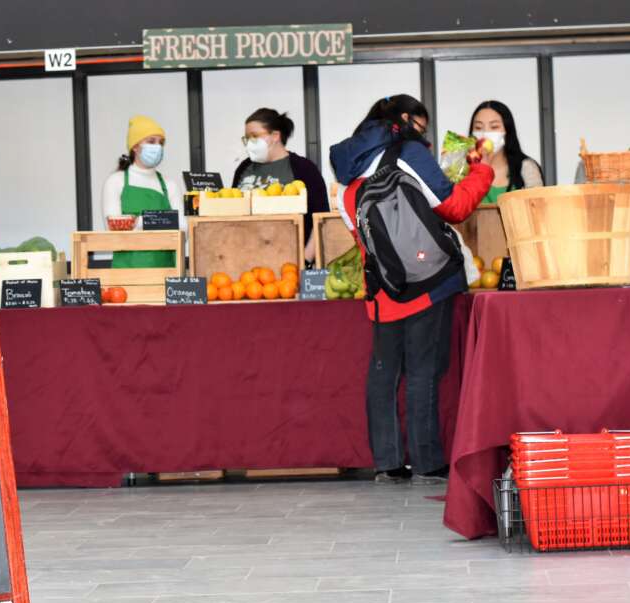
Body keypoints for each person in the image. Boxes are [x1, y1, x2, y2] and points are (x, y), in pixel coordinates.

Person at [329, 94, 494, 486]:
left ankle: (387, 462)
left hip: (384, 287)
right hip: (428, 282)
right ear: (405, 120)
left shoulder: (345, 172)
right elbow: (453, 206)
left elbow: (360, 235)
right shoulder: (408, 153)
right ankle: (427, 462)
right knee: (424, 370)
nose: (425, 135)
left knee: (383, 372)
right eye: (421, 125)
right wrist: (480, 173)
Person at [231, 108, 330, 262]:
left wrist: (305, 260)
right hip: (246, 259)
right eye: (247, 138)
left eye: (255, 136)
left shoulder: (303, 168)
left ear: (275, 136)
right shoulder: (244, 167)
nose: (250, 143)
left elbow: (320, 219)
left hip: (290, 261)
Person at [101, 115, 182, 268]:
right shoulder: (115, 182)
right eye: (151, 141)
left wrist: (137, 222)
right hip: (126, 273)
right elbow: (112, 227)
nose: (158, 147)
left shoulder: (170, 185)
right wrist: (161, 222)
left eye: (161, 143)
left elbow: (182, 228)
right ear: (135, 147)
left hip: (166, 272)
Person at [469, 100, 543, 203]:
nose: (485, 133)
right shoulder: (462, 170)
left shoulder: (526, 167)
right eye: (478, 127)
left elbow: (537, 210)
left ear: (507, 131)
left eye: (494, 127)